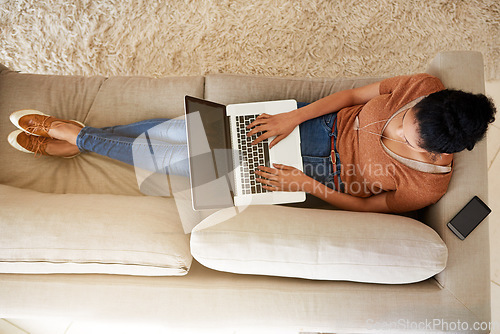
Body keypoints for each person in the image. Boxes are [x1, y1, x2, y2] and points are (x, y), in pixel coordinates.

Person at [7, 74, 496, 213]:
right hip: (304, 128)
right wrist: (291, 116)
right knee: (178, 128)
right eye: (404, 118)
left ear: (437, 153)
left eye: (402, 136)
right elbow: (351, 95)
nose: (393, 126)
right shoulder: (423, 88)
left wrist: (310, 185)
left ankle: (78, 136)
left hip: (310, 175)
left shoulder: (426, 184)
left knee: (181, 159)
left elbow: (377, 207)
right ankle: (83, 141)